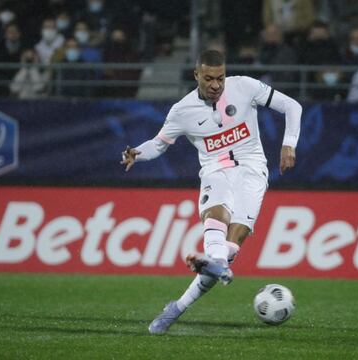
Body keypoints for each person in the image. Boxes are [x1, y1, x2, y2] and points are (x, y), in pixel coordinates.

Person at [120, 50, 302, 334]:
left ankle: (178, 305)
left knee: (234, 239)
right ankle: (216, 264)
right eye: (209, 78)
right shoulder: (182, 110)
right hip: (215, 170)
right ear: (196, 76)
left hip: (252, 169)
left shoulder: (244, 86)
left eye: (220, 78)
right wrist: (136, 153)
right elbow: (159, 144)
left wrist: (289, 143)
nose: (216, 84)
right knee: (215, 216)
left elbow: (293, 106)